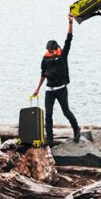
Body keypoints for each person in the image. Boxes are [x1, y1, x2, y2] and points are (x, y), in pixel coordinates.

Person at [32, 14, 81, 146]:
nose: (51, 53)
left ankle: (76, 130)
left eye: (52, 51)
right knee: (48, 114)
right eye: (49, 51)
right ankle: (49, 138)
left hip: (61, 89)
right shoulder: (45, 58)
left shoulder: (63, 54)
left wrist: (70, 23)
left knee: (66, 111)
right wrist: (37, 89)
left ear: (56, 49)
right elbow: (43, 74)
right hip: (49, 90)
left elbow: (69, 39)